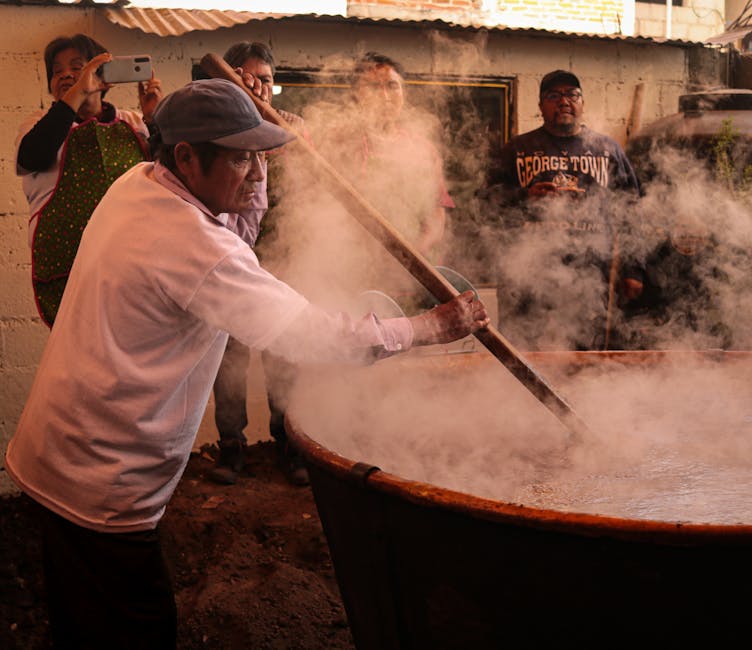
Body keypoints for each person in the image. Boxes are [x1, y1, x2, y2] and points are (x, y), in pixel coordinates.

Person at [4, 78, 489, 649]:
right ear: (186, 156)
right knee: (134, 630)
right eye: (241, 160)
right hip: (101, 479)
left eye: (263, 158)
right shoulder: (189, 243)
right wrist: (431, 327)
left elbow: (233, 236)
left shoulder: (141, 183)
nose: (259, 174)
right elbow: (312, 338)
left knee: (84, 620)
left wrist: (249, 177)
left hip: (64, 451)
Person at [208, 41, 309, 486]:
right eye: (246, 78)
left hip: (283, 262)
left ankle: (287, 445)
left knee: (284, 355)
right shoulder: (215, 130)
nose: (258, 87)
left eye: (265, 80)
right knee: (228, 360)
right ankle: (231, 448)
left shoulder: (295, 128)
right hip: (229, 261)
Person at [484, 69, 643, 350]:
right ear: (541, 106)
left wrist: (634, 270)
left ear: (582, 102)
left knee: (584, 358)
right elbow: (485, 203)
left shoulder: (607, 149)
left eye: (572, 94)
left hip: (590, 275)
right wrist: (524, 198)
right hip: (528, 277)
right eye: (553, 95)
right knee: (525, 354)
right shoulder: (516, 149)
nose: (564, 101)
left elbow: (632, 211)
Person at [15, 33, 162, 326]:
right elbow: (32, 156)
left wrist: (155, 119)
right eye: (57, 71)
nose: (66, 75)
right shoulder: (38, 125)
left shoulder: (134, 124)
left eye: (77, 67)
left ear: (102, 76)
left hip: (133, 269)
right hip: (67, 273)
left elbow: (169, 177)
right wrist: (77, 93)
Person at [306, 51, 456, 306]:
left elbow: (437, 211)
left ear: (403, 93)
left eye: (392, 86)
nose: (385, 96)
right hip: (352, 277)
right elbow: (316, 209)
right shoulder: (337, 144)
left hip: (412, 278)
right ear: (357, 95)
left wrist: (414, 253)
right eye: (374, 87)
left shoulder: (422, 149)